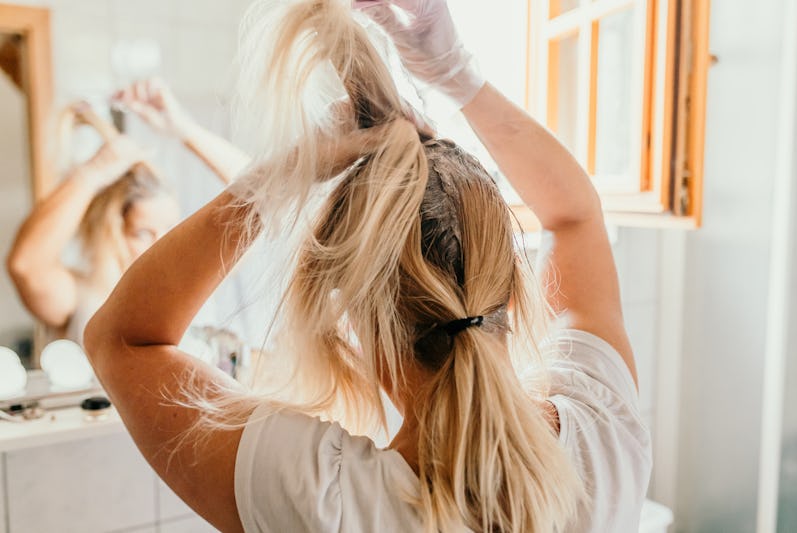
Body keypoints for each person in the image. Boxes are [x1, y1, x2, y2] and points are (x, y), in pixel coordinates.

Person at [83, 1, 652, 532]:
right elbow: (576, 215)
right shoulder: (604, 436)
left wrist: (282, 176)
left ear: (356, 323)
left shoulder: (324, 496)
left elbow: (122, 340)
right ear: (507, 283)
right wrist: (457, 75)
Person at [6, 79, 250, 346]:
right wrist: (91, 173)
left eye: (171, 228)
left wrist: (183, 129)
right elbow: (25, 266)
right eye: (143, 233)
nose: (163, 243)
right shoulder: (81, 299)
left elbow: (258, 193)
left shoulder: (193, 285)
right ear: (109, 234)